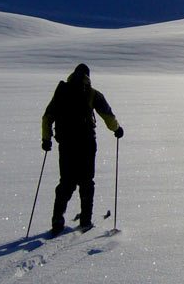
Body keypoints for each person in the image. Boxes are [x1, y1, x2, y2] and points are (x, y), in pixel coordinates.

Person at [41, 63, 123, 236]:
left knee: (66, 182)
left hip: (66, 143)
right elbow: (107, 115)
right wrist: (117, 129)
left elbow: (47, 117)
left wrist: (46, 139)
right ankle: (85, 220)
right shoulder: (92, 93)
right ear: (88, 76)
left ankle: (57, 219)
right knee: (86, 182)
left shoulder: (62, 92)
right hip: (86, 143)